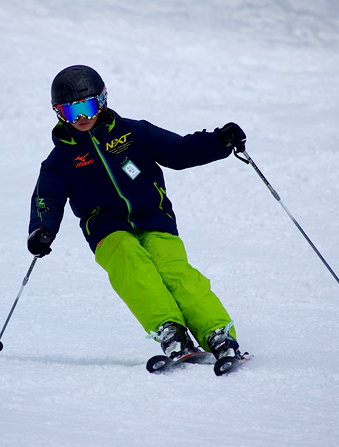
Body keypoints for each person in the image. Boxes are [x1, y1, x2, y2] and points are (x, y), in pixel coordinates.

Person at [27, 65, 247, 361]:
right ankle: (169, 329)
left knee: (175, 272)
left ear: (102, 100)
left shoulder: (135, 133)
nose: (82, 118)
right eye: (71, 112)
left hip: (154, 219)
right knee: (132, 268)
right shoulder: (59, 161)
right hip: (107, 231)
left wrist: (219, 141)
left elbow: (179, 151)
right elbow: (46, 199)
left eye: (87, 106)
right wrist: (42, 229)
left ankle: (217, 331)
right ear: (58, 113)